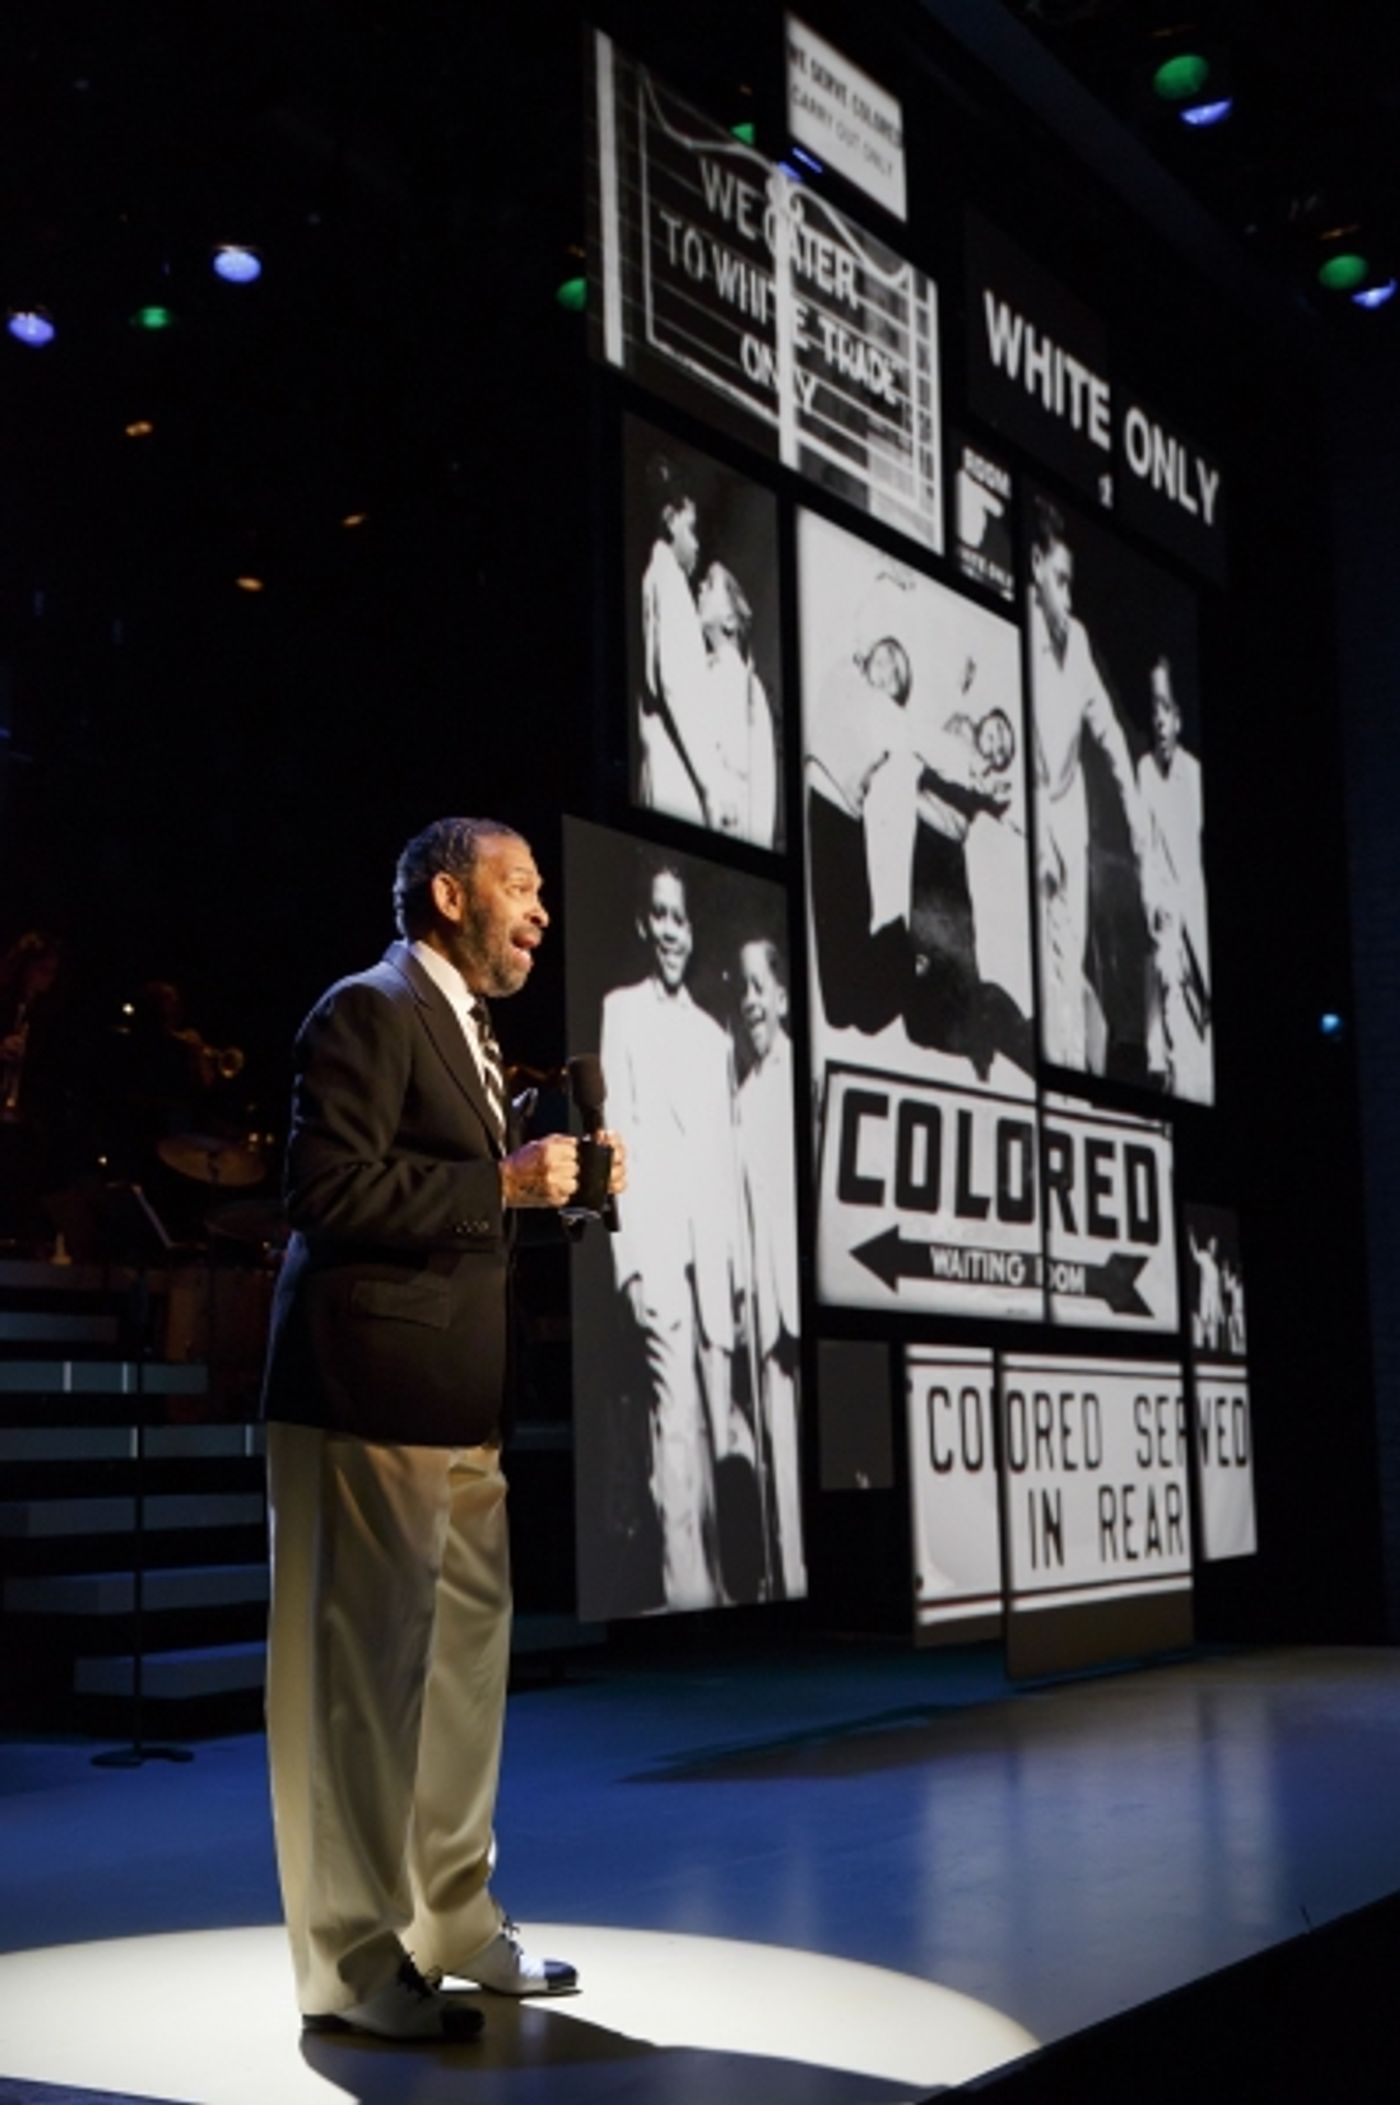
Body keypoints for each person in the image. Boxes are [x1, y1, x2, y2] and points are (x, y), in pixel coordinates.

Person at [261, 816, 625, 2042]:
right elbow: (323, 1190)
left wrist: (555, 1181)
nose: (539, 908)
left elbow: (457, 1190)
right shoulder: (364, 1008)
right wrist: (502, 1184)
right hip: (364, 1394)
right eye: (519, 886)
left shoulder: (469, 1031)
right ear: (447, 892)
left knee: (462, 1675)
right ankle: (353, 1963)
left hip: (461, 1402)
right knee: (362, 1689)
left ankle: (451, 1916)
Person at [600, 861, 741, 1611]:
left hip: (712, 1261)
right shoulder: (621, 1011)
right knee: (674, 1422)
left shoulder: (714, 1035)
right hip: (655, 1253)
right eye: (660, 915)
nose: (672, 931)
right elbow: (612, 1132)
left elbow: (724, 1163)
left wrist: (738, 1272)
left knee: (714, 1430)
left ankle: (718, 1582)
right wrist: (626, 1263)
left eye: (681, 917)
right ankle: (685, 1589)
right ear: (643, 923)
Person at [1028, 496, 1151, 1072]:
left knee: (1071, 947)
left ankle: (1072, 1068)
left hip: (1069, 804)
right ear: (1034, 568)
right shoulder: (1014, 629)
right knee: (1036, 950)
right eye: (1059, 580)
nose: (1068, 598)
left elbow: (1111, 736)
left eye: (1072, 584)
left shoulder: (1075, 641)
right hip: (1023, 808)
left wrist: (1137, 818)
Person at [734, 937, 805, 1599]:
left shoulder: (799, 1079)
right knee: (777, 1451)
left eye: (763, 988)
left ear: (783, 995)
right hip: (766, 1302)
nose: (752, 1001)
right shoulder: (747, 1094)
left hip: (810, 1295)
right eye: (745, 990)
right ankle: (791, 1575)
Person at [1137, 654, 1212, 1100]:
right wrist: (1156, 904)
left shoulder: (1196, 776)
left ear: (1179, 720)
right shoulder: (1146, 772)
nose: (1160, 722)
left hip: (1195, 903)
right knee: (1168, 983)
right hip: (1164, 907)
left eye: (1166, 712)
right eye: (1154, 714)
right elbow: (1145, 846)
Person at [638, 453, 710, 828]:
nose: (697, 544)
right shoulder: (669, 578)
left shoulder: (658, 575)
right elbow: (676, 685)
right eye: (691, 528)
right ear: (670, 521)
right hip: (678, 761)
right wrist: (710, 783)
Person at [696, 559, 778, 849]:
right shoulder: (702, 671)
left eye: (710, 584)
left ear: (730, 620)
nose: (700, 587)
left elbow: (762, 782)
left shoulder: (747, 687)